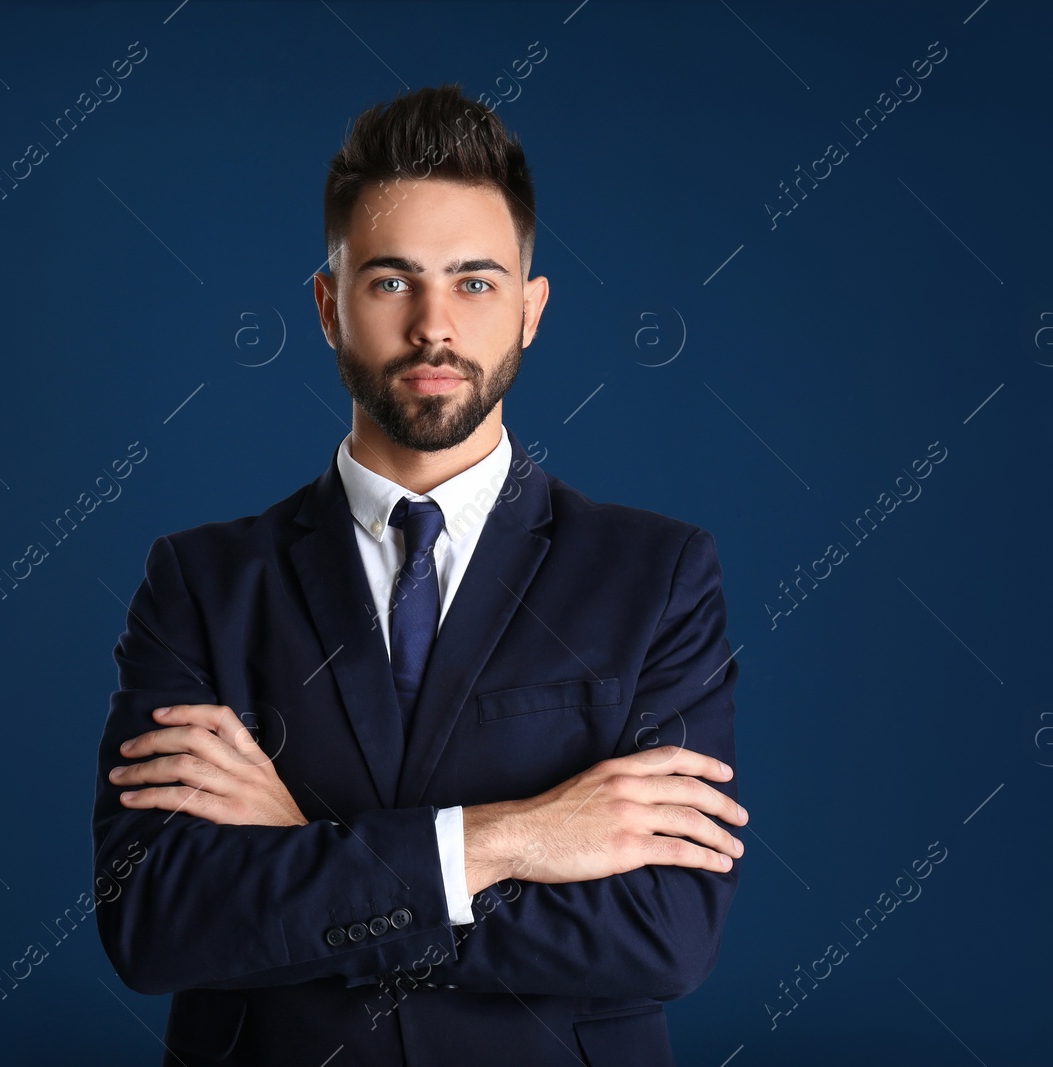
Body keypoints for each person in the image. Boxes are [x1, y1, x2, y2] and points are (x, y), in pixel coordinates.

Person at [92, 83, 747, 1067]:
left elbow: (660, 931)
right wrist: (506, 837)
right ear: (328, 305)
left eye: (474, 282)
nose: (433, 325)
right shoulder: (203, 580)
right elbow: (154, 917)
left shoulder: (657, 575)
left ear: (530, 311)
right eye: (391, 281)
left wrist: (302, 843)